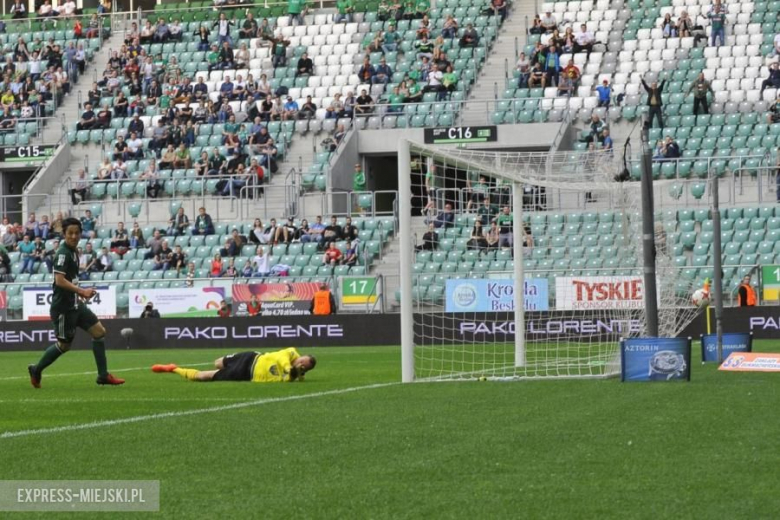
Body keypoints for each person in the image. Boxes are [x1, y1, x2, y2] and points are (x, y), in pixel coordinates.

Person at [28, 218, 125, 388]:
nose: (74, 236)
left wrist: (78, 294)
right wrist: (81, 291)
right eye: (70, 233)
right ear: (64, 234)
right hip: (63, 309)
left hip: (75, 304)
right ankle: (36, 369)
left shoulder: (73, 251)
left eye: (77, 233)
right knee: (64, 346)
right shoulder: (63, 253)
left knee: (99, 332)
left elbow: (70, 279)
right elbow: (59, 280)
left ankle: (103, 375)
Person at [152, 348, 316, 383]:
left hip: (245, 373)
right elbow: (282, 358)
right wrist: (289, 369)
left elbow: (286, 379)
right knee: (217, 362)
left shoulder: (293, 375)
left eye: (304, 366)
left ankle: (173, 368)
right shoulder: (291, 352)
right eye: (302, 360)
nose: (300, 363)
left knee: (204, 376)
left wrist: (295, 375)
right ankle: (173, 368)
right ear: (302, 356)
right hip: (251, 356)